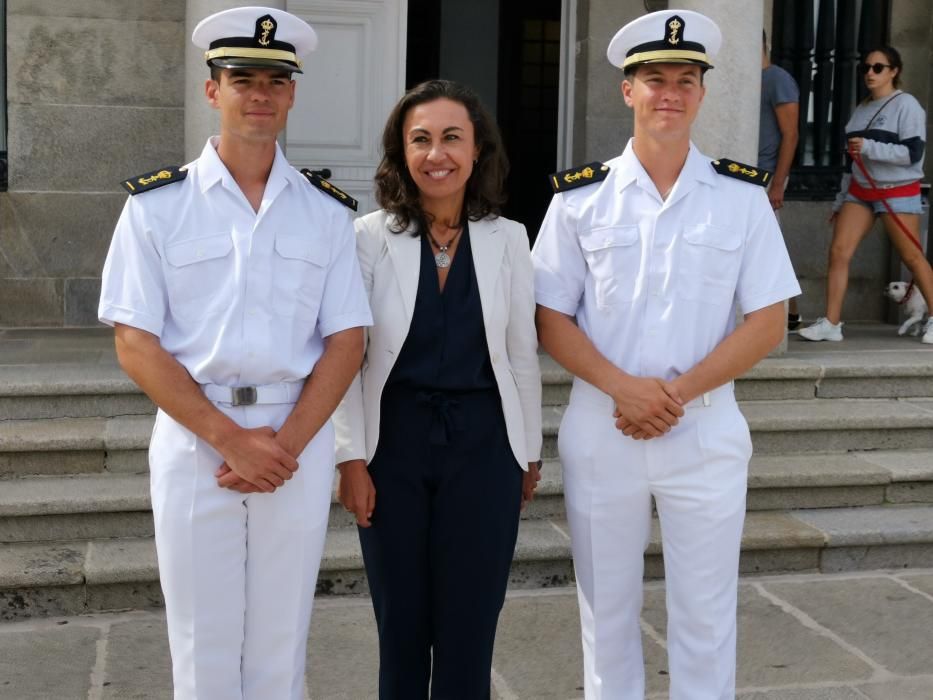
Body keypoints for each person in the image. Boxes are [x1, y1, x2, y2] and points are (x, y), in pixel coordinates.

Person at [97, 7, 372, 698]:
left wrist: (284, 446)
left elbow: (347, 340)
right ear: (211, 90)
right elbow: (134, 340)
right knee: (200, 640)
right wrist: (230, 440)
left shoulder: (326, 211)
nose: (259, 94)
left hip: (294, 438)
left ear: (292, 94)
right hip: (197, 437)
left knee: (282, 637)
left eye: (274, 81)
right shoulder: (157, 207)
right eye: (240, 77)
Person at [531, 10, 800, 700]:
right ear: (628, 91)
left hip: (703, 429)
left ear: (703, 94)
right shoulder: (579, 199)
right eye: (655, 79)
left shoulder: (740, 199)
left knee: (706, 616)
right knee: (606, 613)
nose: (670, 93)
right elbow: (549, 316)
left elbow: (767, 320)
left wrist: (670, 396)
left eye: (685, 80)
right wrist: (624, 388)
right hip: (604, 426)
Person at [333, 79, 542, 699]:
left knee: (471, 625)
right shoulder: (367, 237)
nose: (437, 153)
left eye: (453, 137)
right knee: (400, 623)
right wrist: (350, 457)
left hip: (485, 448)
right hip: (391, 446)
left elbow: (522, 355)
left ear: (478, 150)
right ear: (401, 152)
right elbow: (348, 358)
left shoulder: (511, 239)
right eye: (420, 139)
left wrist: (527, 451)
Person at [799, 45, 931, 343]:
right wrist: (839, 199)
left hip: (896, 190)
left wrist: (870, 147)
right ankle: (831, 323)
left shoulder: (906, 104)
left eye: (878, 68)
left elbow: (914, 154)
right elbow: (852, 163)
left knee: (911, 255)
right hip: (860, 191)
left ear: (894, 71)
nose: (870, 73)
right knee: (838, 252)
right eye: (866, 68)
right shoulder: (861, 109)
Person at [760, 29, 802, 328]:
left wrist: (777, 184)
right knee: (771, 246)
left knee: (769, 248)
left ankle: (785, 313)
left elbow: (791, 134)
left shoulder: (777, 79)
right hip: (747, 175)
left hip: (766, 176)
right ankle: (791, 312)